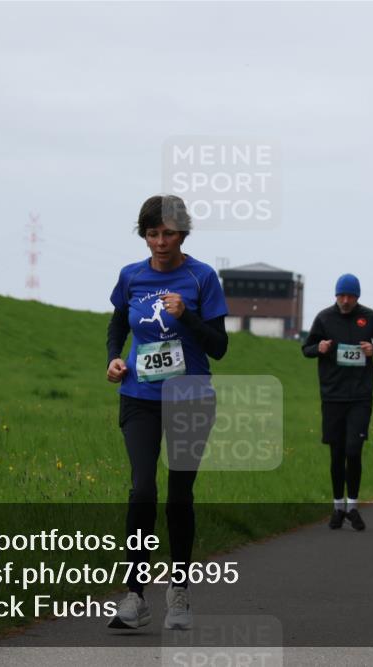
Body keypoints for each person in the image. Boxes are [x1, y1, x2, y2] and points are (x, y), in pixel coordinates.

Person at [105, 194, 228, 631]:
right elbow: (119, 321)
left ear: (183, 234)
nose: (160, 243)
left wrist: (188, 316)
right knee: (141, 492)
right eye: (152, 234)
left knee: (178, 496)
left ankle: (179, 591)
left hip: (190, 396)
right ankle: (135, 596)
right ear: (144, 234)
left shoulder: (201, 277)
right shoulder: (131, 276)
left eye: (169, 234)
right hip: (138, 397)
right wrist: (113, 358)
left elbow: (219, 346)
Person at [302, 273, 373, 531]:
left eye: (350, 296)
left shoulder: (370, 318)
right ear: (335, 295)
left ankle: (353, 506)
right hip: (332, 395)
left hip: (360, 395)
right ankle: (337, 506)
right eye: (341, 295)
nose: (345, 300)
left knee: (354, 449)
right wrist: (318, 348)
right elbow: (306, 348)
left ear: (357, 296)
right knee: (336, 453)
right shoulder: (324, 318)